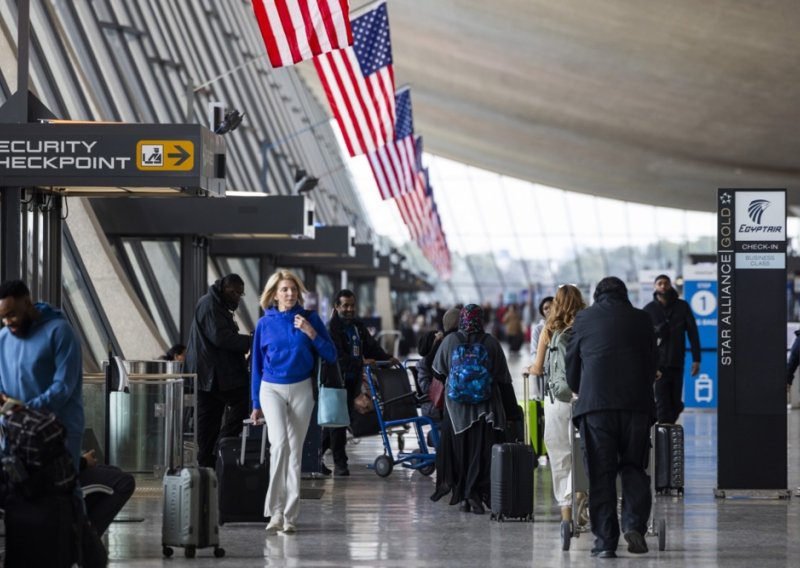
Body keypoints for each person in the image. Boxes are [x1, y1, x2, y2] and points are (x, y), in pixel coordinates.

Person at [566, 277, 657, 558]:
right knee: (633, 467)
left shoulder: (584, 318)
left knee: (601, 474)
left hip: (596, 408)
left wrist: (582, 388)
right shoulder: (643, 319)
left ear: (597, 295)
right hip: (636, 407)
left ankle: (605, 542)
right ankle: (634, 525)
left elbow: (572, 363)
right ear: (625, 294)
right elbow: (653, 362)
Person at [250, 270, 336, 534]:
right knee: (279, 446)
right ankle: (274, 511)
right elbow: (256, 365)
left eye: (293, 290)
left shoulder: (310, 319)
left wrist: (311, 333)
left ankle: (290, 516)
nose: (289, 294)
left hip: (301, 388)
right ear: (274, 294)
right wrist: (255, 403)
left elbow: (331, 354)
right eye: (284, 290)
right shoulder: (265, 324)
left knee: (295, 452)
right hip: (271, 389)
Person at [432, 304, 513, 514]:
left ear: (462, 320)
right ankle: (475, 493)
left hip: (456, 411)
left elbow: (439, 373)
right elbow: (503, 379)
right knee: (482, 453)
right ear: (481, 320)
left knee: (459, 453)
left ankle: (462, 495)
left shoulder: (450, 341)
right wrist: (512, 412)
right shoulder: (491, 343)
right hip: (486, 410)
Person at [0, 280, 84, 469]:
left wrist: (25, 411)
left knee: (62, 492)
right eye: (3, 317)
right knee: (18, 489)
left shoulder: (61, 333)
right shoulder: (3, 338)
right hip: (17, 431)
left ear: (27, 304)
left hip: (58, 432)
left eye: (12, 314)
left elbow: (63, 387)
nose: (7, 322)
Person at [323, 289, 398, 476]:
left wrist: (387, 358)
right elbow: (337, 357)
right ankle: (340, 464)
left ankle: (315, 455)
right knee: (338, 423)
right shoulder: (331, 329)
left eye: (352, 305)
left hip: (351, 382)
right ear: (336, 306)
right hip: (334, 382)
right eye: (345, 306)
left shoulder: (357, 326)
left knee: (338, 421)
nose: (349, 309)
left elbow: (372, 347)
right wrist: (360, 362)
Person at [528, 285, 586, 524]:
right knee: (583, 452)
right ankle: (582, 493)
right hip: (586, 398)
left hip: (558, 400)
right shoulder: (586, 325)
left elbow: (538, 368)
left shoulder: (549, 328)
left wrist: (530, 369)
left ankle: (565, 513)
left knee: (560, 455)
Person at [184, 274, 251, 468]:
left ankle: (209, 461)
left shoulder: (217, 305)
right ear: (223, 288)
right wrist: (251, 341)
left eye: (240, 293)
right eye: (234, 292)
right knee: (243, 399)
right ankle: (220, 446)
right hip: (212, 375)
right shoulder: (210, 305)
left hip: (213, 375)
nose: (238, 297)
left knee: (210, 419)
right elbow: (221, 338)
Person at [643, 274, 701, 424]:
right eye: (660, 283)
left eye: (666, 283)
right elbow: (643, 337)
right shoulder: (649, 310)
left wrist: (696, 359)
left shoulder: (682, 307)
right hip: (658, 365)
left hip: (677, 361)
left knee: (675, 402)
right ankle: (665, 435)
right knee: (662, 403)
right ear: (655, 287)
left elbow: (693, 332)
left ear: (671, 285)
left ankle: (668, 424)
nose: (663, 286)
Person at [78, 449, 136, 536]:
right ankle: (88, 538)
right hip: (68, 472)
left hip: (72, 466)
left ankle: (83, 528)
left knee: (115, 471)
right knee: (125, 482)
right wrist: (84, 461)